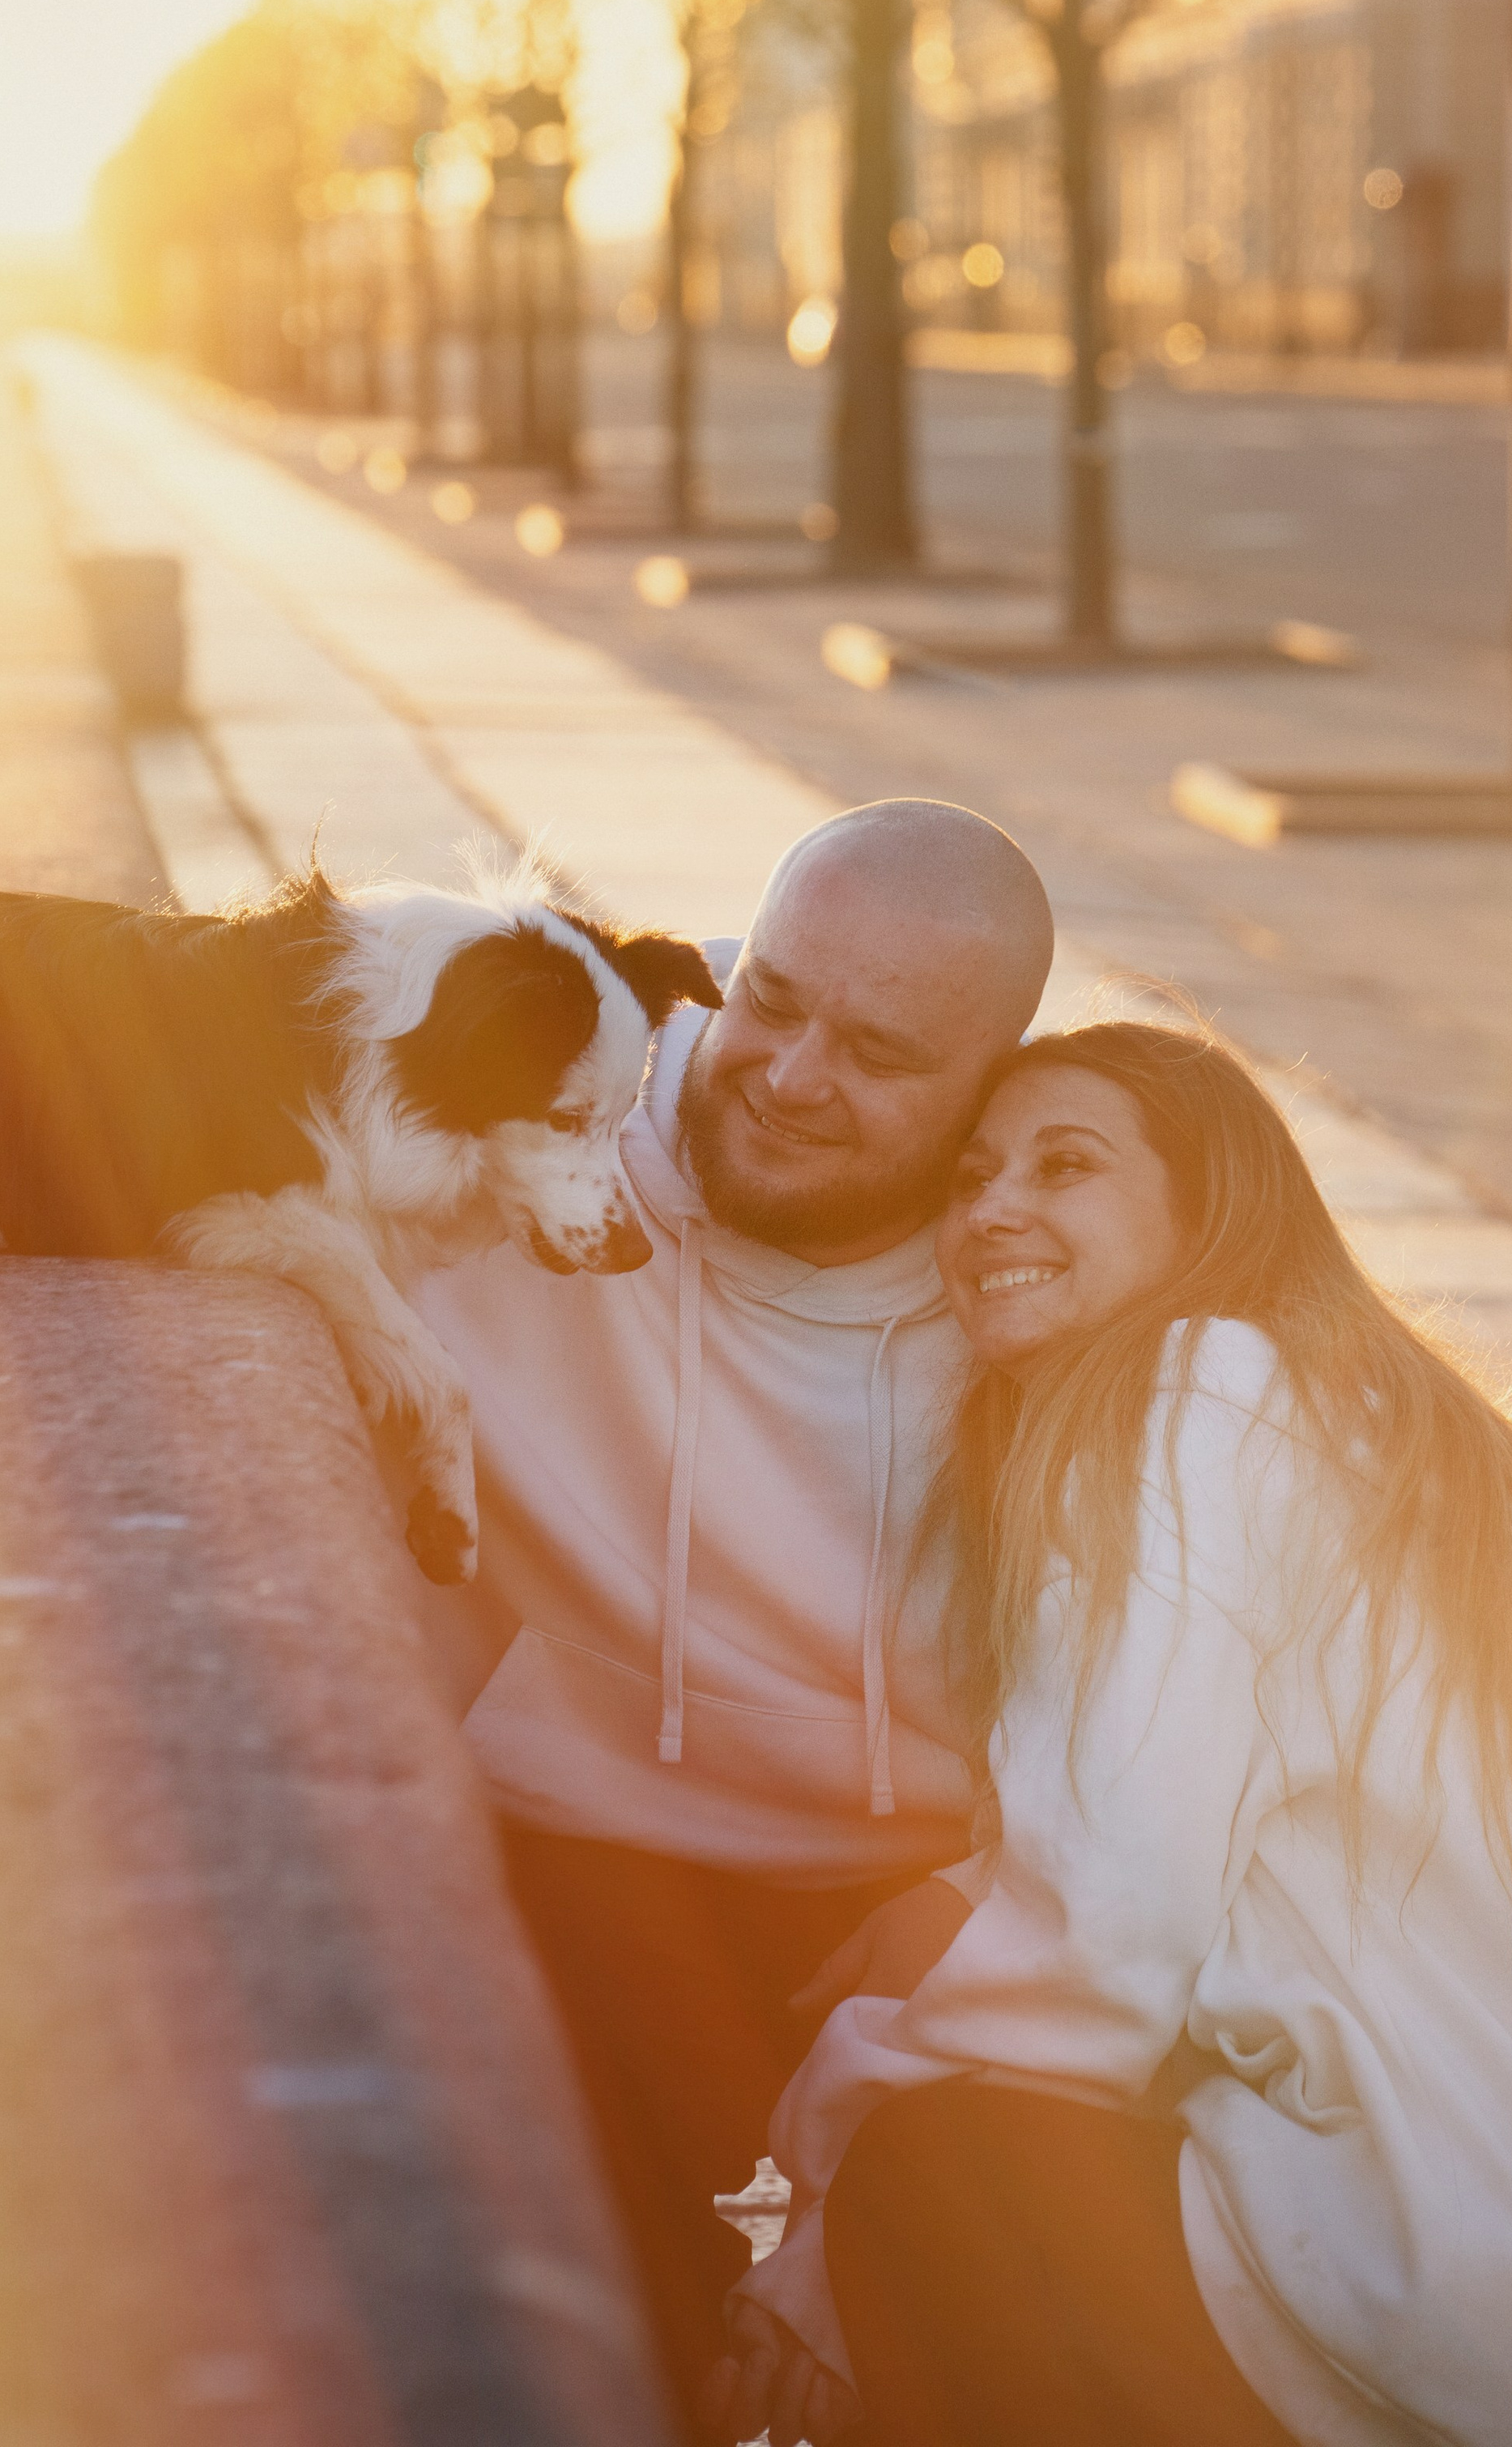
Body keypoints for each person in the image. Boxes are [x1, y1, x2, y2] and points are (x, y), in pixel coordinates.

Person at [719, 1021, 1512, 2447]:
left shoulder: (1199, 1392)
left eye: (1066, 1167)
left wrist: (820, 2183)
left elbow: (1110, 1930)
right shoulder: (1326, 1410)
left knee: (942, 2177)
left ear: (1207, 1212)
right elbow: (1180, 1826)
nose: (991, 1208)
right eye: (972, 1174)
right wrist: (952, 1902)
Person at [411, 798, 1056, 2426]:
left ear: (988, 1082)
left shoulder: (1043, 1255)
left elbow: (1197, 1682)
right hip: (579, 1855)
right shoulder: (545, 1102)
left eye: (879, 1054)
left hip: (913, 1888)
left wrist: (981, 1896)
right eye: (771, 997)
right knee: (541, 2318)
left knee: (998, 2316)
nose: (783, 1072)